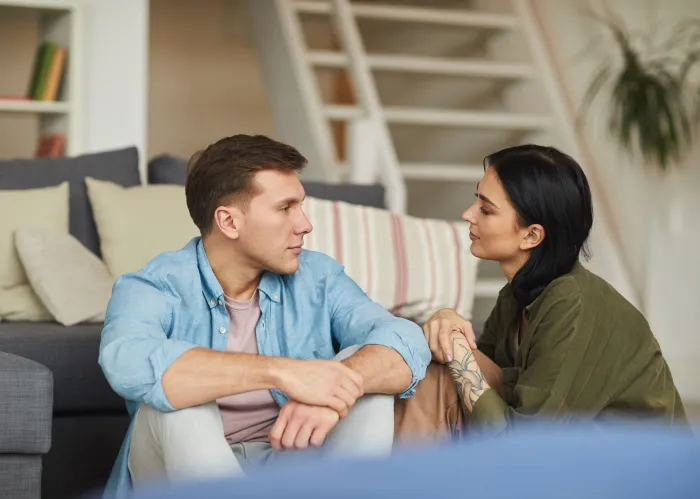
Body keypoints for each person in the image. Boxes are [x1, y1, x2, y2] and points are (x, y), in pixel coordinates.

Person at [98, 134, 431, 498]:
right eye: (285, 208)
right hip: (177, 474)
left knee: (362, 376)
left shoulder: (318, 276)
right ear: (229, 222)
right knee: (181, 403)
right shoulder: (153, 286)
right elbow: (125, 361)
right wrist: (283, 372)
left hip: (291, 462)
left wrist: (332, 391)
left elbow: (403, 339)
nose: (304, 224)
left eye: (300, 206)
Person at [394, 144, 686, 441]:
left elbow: (523, 442)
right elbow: (483, 377)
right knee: (437, 369)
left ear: (531, 235)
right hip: (566, 455)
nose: (468, 214)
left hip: (631, 471)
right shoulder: (516, 295)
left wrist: (455, 350)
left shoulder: (571, 303)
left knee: (442, 371)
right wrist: (446, 321)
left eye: (485, 209)